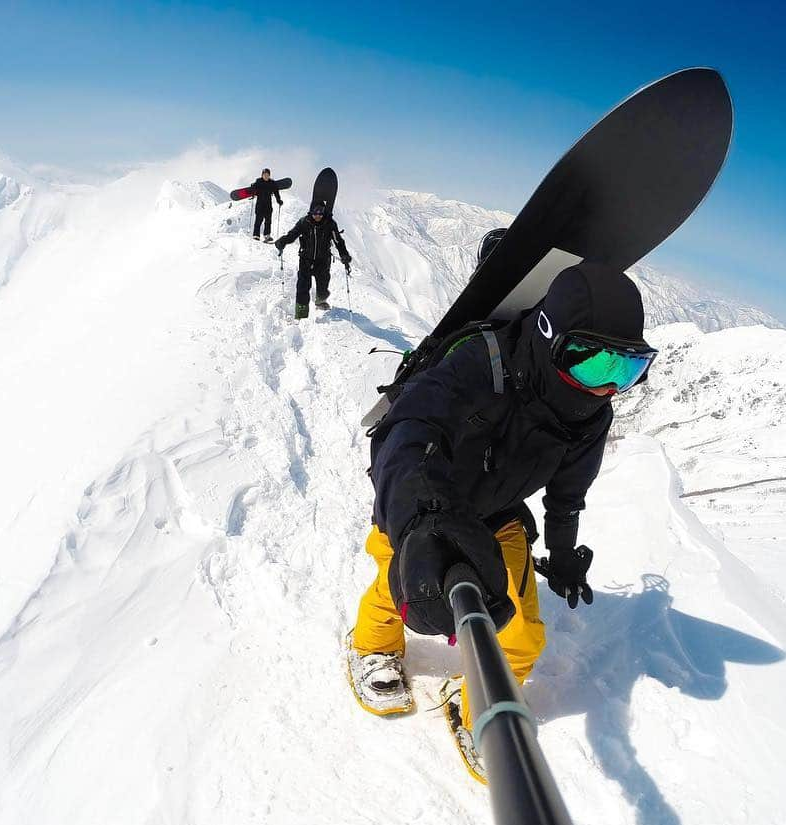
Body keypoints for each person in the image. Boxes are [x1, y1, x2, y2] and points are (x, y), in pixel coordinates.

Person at [347, 260, 658, 777]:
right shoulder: (478, 364)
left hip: (496, 514)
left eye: (625, 370)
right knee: (401, 581)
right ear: (549, 336)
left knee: (521, 633)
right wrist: (420, 520)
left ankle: (478, 707)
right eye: (593, 364)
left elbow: (566, 494)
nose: (607, 388)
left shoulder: (590, 417)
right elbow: (407, 431)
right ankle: (372, 645)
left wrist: (561, 555)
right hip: (425, 500)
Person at [275, 201, 351, 320]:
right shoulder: (304, 222)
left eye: (320, 213)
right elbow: (293, 234)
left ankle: (320, 300)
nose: (318, 215)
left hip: (323, 260)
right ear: (311, 212)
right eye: (315, 213)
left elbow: (338, 241)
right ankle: (301, 313)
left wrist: (344, 255)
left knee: (323, 284)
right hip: (306, 259)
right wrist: (283, 241)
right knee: (303, 286)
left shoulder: (330, 224)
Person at [251, 168, 283, 242]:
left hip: (268, 205)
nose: (266, 176)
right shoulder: (258, 181)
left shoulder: (272, 183)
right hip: (260, 205)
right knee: (258, 220)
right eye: (264, 175)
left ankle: (267, 236)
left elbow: (276, 192)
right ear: (262, 175)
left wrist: (278, 200)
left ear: (269, 175)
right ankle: (256, 235)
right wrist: (253, 189)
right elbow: (254, 189)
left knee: (268, 221)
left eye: (267, 175)